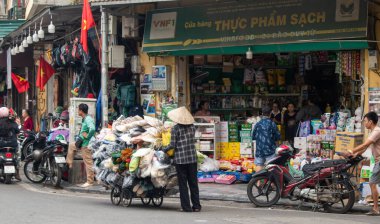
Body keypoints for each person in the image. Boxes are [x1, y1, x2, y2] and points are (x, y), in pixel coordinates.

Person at [164, 107, 201, 212]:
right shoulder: (192, 127)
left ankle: (186, 207)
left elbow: (172, 145)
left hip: (181, 160)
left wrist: (164, 150)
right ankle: (197, 206)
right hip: (192, 159)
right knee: (193, 183)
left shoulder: (175, 129)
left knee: (183, 184)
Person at [344, 112, 380, 216]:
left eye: (365, 121)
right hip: (378, 160)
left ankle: (376, 209)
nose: (364, 123)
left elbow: (365, 144)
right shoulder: (373, 131)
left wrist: (351, 150)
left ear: (370, 121)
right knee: (373, 183)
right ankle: (376, 208)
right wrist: (356, 154)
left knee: (372, 183)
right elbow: (365, 147)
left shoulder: (376, 131)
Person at [66, 104, 95, 188]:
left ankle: (90, 181)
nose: (77, 111)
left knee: (88, 163)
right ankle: (69, 163)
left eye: (78, 110)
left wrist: (88, 136)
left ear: (81, 111)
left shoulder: (88, 119)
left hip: (86, 145)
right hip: (81, 142)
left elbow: (92, 129)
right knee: (71, 146)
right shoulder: (84, 118)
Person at [252, 106, 281, 172]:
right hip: (270, 148)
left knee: (259, 164)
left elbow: (253, 136)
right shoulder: (272, 124)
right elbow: (278, 137)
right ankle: (272, 182)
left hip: (259, 149)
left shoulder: (258, 124)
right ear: (270, 113)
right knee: (271, 166)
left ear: (262, 113)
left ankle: (257, 182)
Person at [0, 107, 21, 181]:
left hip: (1, 144)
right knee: (17, 156)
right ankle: (17, 172)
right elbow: (18, 132)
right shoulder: (13, 122)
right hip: (13, 144)